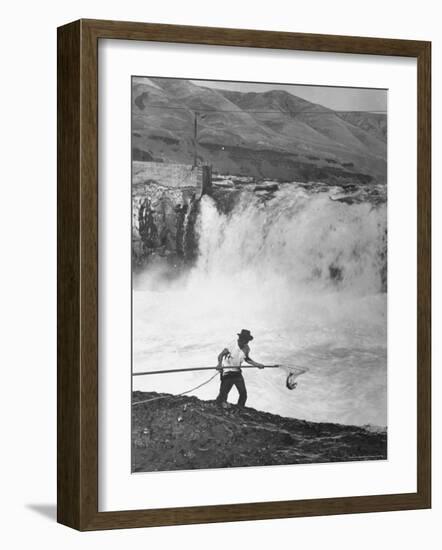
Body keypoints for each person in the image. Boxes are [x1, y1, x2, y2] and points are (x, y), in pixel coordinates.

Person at [216, 329, 264, 408]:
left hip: (237, 372)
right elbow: (221, 355)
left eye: (247, 340)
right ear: (240, 338)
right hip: (227, 371)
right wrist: (219, 364)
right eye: (244, 340)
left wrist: (257, 364)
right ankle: (220, 404)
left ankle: (240, 409)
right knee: (224, 392)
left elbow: (247, 359)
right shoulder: (232, 345)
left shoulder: (246, 348)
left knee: (243, 394)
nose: (245, 342)